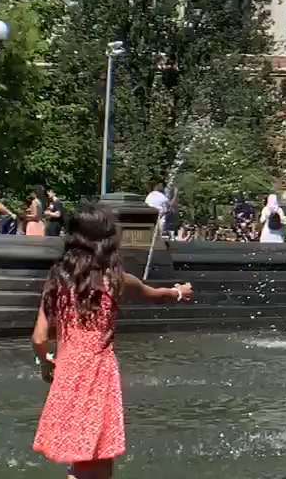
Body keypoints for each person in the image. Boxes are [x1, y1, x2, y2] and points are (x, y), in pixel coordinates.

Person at [32, 203, 193, 478]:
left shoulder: (58, 280)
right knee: (97, 458)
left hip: (68, 371)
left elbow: (38, 337)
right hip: (98, 373)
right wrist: (179, 292)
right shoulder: (114, 279)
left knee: (83, 456)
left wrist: (46, 364)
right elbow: (155, 294)